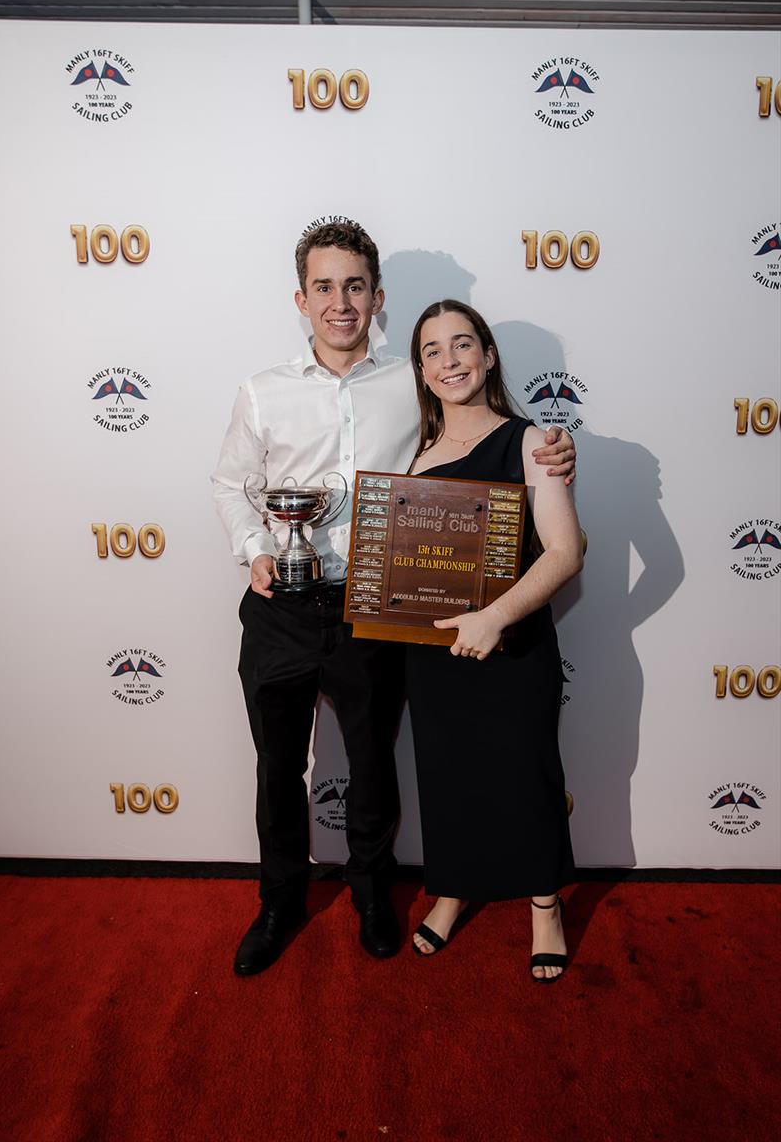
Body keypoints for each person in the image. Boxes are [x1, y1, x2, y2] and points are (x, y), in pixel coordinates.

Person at [211, 222, 577, 976]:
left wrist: (555, 445)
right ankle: (279, 901)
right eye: (324, 287)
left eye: (354, 287)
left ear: (376, 299)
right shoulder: (261, 391)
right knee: (279, 766)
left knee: (375, 763)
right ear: (301, 299)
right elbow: (231, 485)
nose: (340, 303)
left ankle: (373, 896)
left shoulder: (413, 389)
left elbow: (484, 440)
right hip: (279, 605)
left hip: (378, 608)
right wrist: (255, 552)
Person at [405, 299, 583, 983]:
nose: (449, 361)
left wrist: (494, 617)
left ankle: (545, 904)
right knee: (446, 775)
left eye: (462, 345)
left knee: (527, 773)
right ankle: (452, 888)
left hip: (513, 649)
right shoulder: (415, 460)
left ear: (487, 356)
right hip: (435, 659)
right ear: (421, 372)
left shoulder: (533, 440)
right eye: (432, 351)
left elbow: (564, 552)